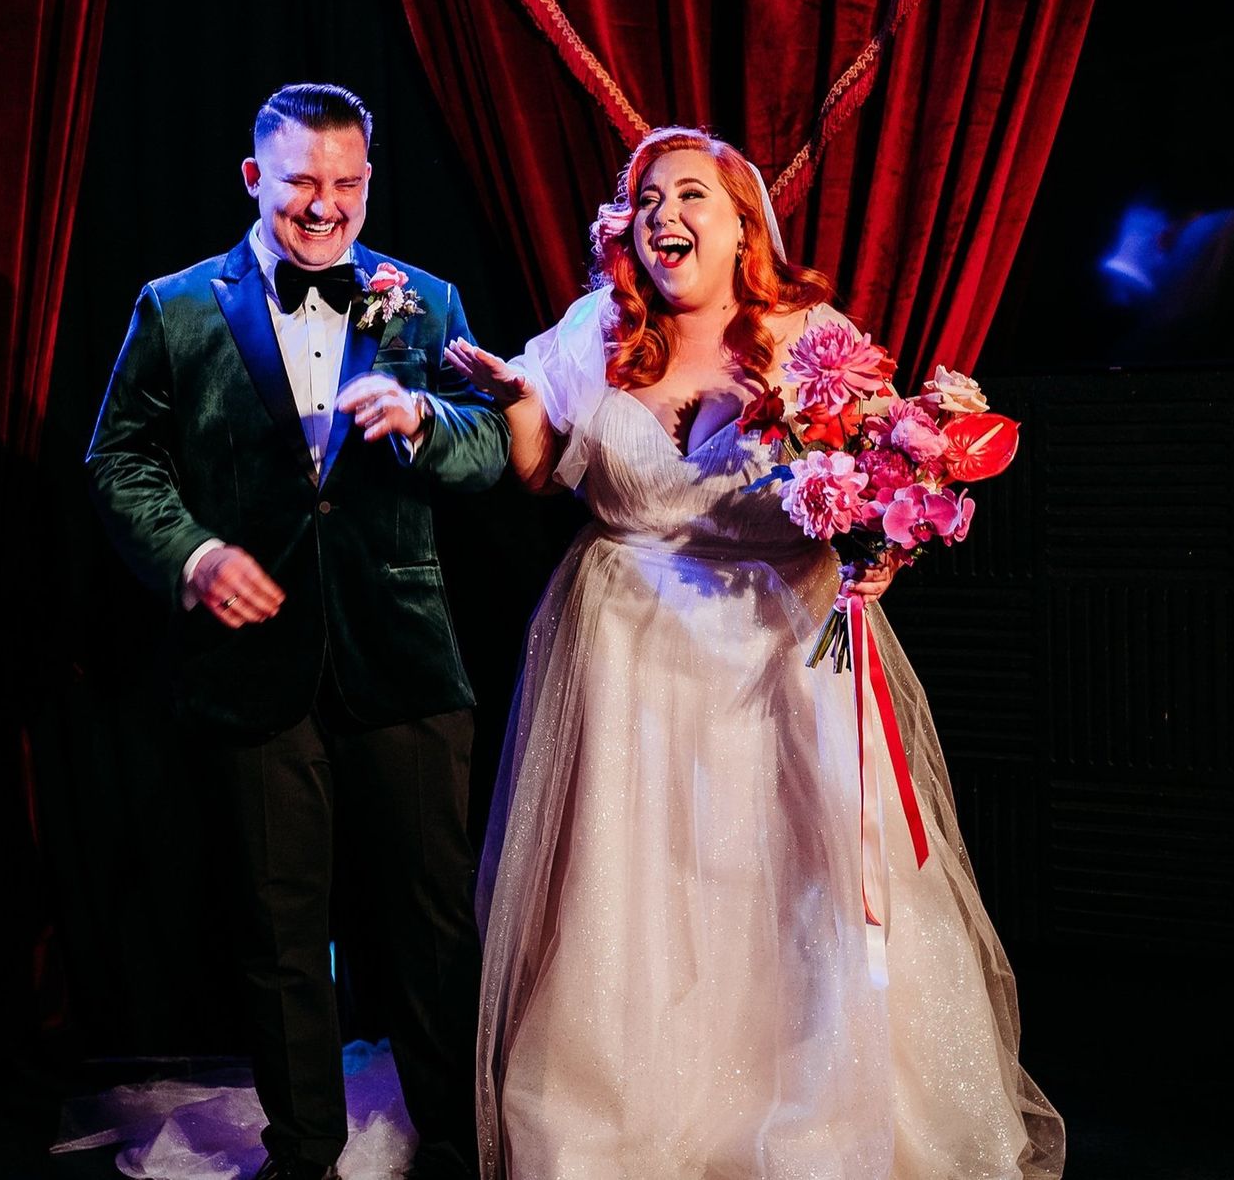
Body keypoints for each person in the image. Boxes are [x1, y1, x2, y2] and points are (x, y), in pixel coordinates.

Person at [445, 127, 1064, 1178]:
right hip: (630, 642)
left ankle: (819, 1104)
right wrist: (512, 398)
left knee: (786, 876)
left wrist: (880, 560)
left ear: (742, 225)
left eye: (688, 196)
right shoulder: (598, 328)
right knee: (639, 881)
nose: (660, 217)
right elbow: (536, 469)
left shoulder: (807, 336)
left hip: (781, 641)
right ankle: (633, 1110)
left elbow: (884, 483)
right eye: (642, 201)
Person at [86, 84, 510, 1180]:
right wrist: (191, 552)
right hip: (255, 660)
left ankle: (458, 1146)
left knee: (428, 926)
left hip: (403, 652)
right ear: (252, 179)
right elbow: (118, 459)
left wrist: (425, 419)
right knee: (277, 928)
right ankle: (304, 1153)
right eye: (300, 184)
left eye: (346, 184)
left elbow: (490, 450)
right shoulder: (174, 307)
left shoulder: (423, 299)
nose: (324, 208)